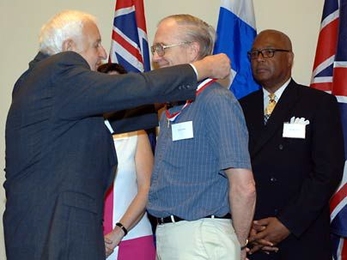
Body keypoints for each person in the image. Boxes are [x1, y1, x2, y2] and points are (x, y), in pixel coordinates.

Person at [4, 10, 231, 260]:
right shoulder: (57, 70)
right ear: (68, 47)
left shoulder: (40, 83)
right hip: (59, 232)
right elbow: (129, 89)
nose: (103, 53)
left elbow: (107, 123)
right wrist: (199, 69)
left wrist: (168, 99)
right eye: (96, 44)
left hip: (45, 228)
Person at [147, 14, 256, 260]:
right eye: (155, 49)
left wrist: (238, 245)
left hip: (202, 237)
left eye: (162, 48)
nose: (156, 57)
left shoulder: (217, 101)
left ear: (193, 50)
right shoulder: (171, 107)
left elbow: (244, 186)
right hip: (171, 237)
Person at [239, 29, 345, 260]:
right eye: (254, 54)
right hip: (254, 234)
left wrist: (287, 223)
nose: (259, 59)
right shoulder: (240, 107)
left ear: (289, 58)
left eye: (268, 52)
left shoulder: (318, 104)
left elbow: (328, 171)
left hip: (301, 233)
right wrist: (246, 225)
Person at [97, 63, 156, 259]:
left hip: (132, 237)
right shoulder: (81, 134)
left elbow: (146, 188)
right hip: (89, 241)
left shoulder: (136, 133)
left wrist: (119, 231)